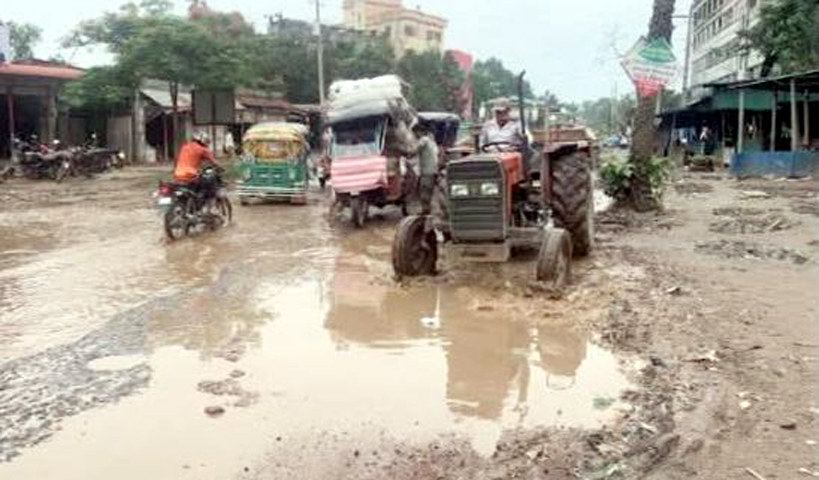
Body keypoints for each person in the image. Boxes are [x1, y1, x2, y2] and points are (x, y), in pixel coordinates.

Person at [411, 123, 440, 215]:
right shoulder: (431, 140)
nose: (414, 135)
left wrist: (405, 152)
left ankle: (426, 211)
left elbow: (413, 150)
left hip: (427, 170)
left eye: (415, 133)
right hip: (432, 169)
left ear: (419, 132)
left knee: (424, 190)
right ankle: (427, 209)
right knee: (428, 190)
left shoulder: (423, 140)